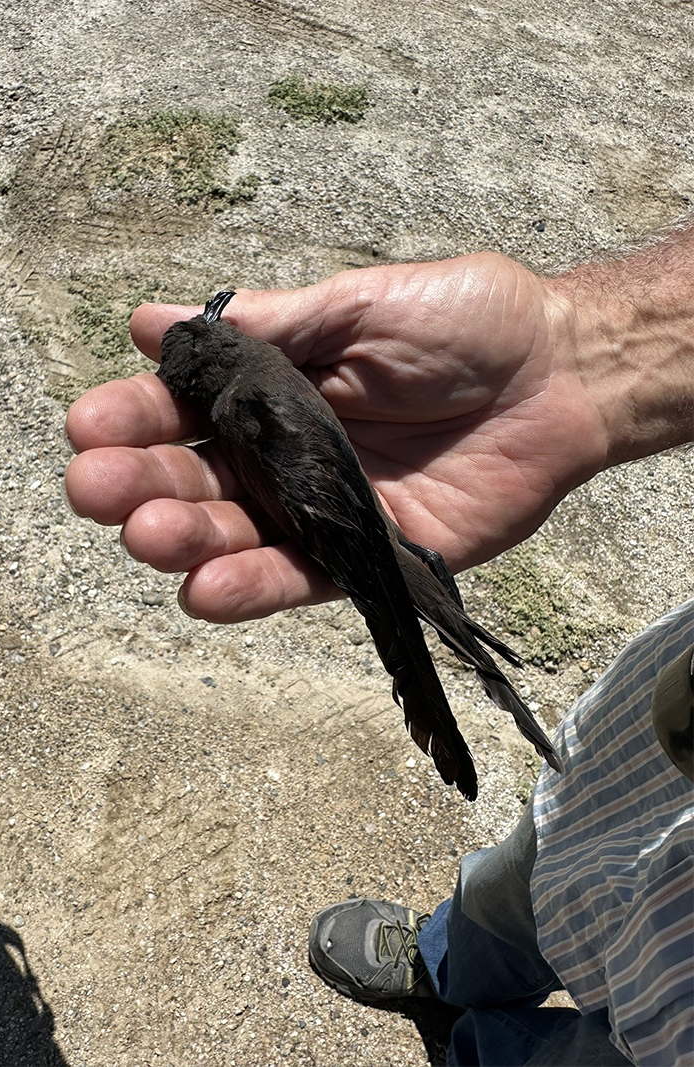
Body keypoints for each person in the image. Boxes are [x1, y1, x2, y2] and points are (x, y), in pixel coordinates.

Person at [64, 223, 694, 1066]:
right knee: (553, 851)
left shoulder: (257, 394)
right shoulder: (256, 394)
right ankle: (445, 967)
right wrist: (571, 344)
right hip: (639, 776)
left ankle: (471, 1033)